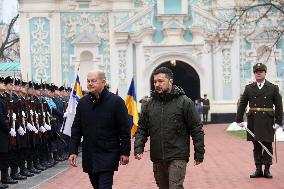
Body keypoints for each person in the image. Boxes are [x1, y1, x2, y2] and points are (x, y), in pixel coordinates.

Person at [134, 67, 205, 189]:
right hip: (157, 157)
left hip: (178, 155)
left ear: (170, 81)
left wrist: (199, 153)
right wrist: (138, 147)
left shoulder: (185, 102)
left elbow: (196, 129)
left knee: (175, 187)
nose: (157, 84)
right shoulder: (148, 105)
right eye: (155, 81)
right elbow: (142, 129)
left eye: (161, 81)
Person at [69, 69, 131, 189]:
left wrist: (125, 152)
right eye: (88, 81)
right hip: (90, 154)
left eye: (93, 81)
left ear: (103, 82)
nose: (90, 84)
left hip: (109, 153)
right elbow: (76, 129)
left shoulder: (116, 102)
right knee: (96, 186)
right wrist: (73, 151)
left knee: (104, 186)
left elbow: (124, 129)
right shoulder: (83, 103)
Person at [236, 63, 283, 179]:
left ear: (265, 73)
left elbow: (279, 106)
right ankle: (258, 169)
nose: (258, 73)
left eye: (261, 71)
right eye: (256, 71)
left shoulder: (273, 88)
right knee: (256, 145)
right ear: (254, 73)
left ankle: (267, 169)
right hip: (254, 120)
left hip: (267, 120)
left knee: (267, 143)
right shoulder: (249, 88)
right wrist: (239, 119)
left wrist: (278, 122)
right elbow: (242, 104)